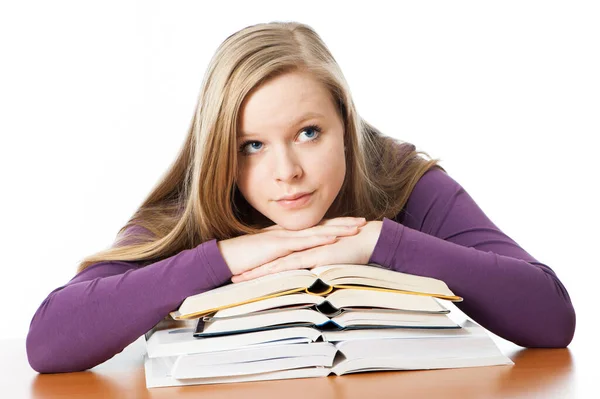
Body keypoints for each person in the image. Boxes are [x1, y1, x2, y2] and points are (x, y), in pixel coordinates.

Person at [26, 21, 576, 374]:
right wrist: (226, 255)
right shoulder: (190, 208)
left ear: (346, 126)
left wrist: (378, 241)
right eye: (251, 146)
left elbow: (552, 318)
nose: (286, 171)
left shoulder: (400, 178)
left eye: (309, 133)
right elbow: (49, 344)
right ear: (220, 150)